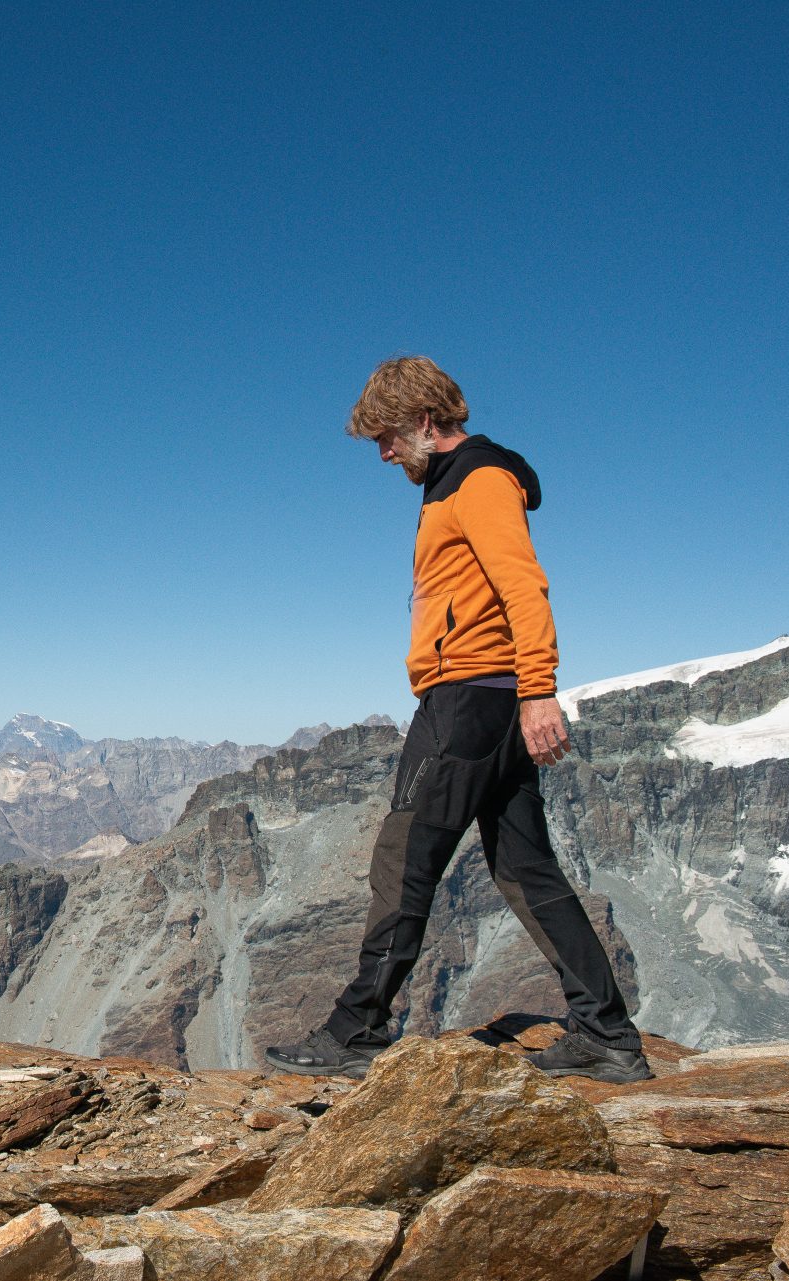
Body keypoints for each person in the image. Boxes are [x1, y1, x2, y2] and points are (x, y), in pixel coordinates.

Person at [263, 356, 651, 1084]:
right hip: (492, 700)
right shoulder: (460, 482)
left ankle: (358, 1028)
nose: (382, 454)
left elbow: (524, 583)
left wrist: (540, 689)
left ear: (422, 420)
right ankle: (608, 1037)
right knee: (526, 869)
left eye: (385, 437)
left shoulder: (477, 481)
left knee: (403, 859)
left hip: (468, 698)